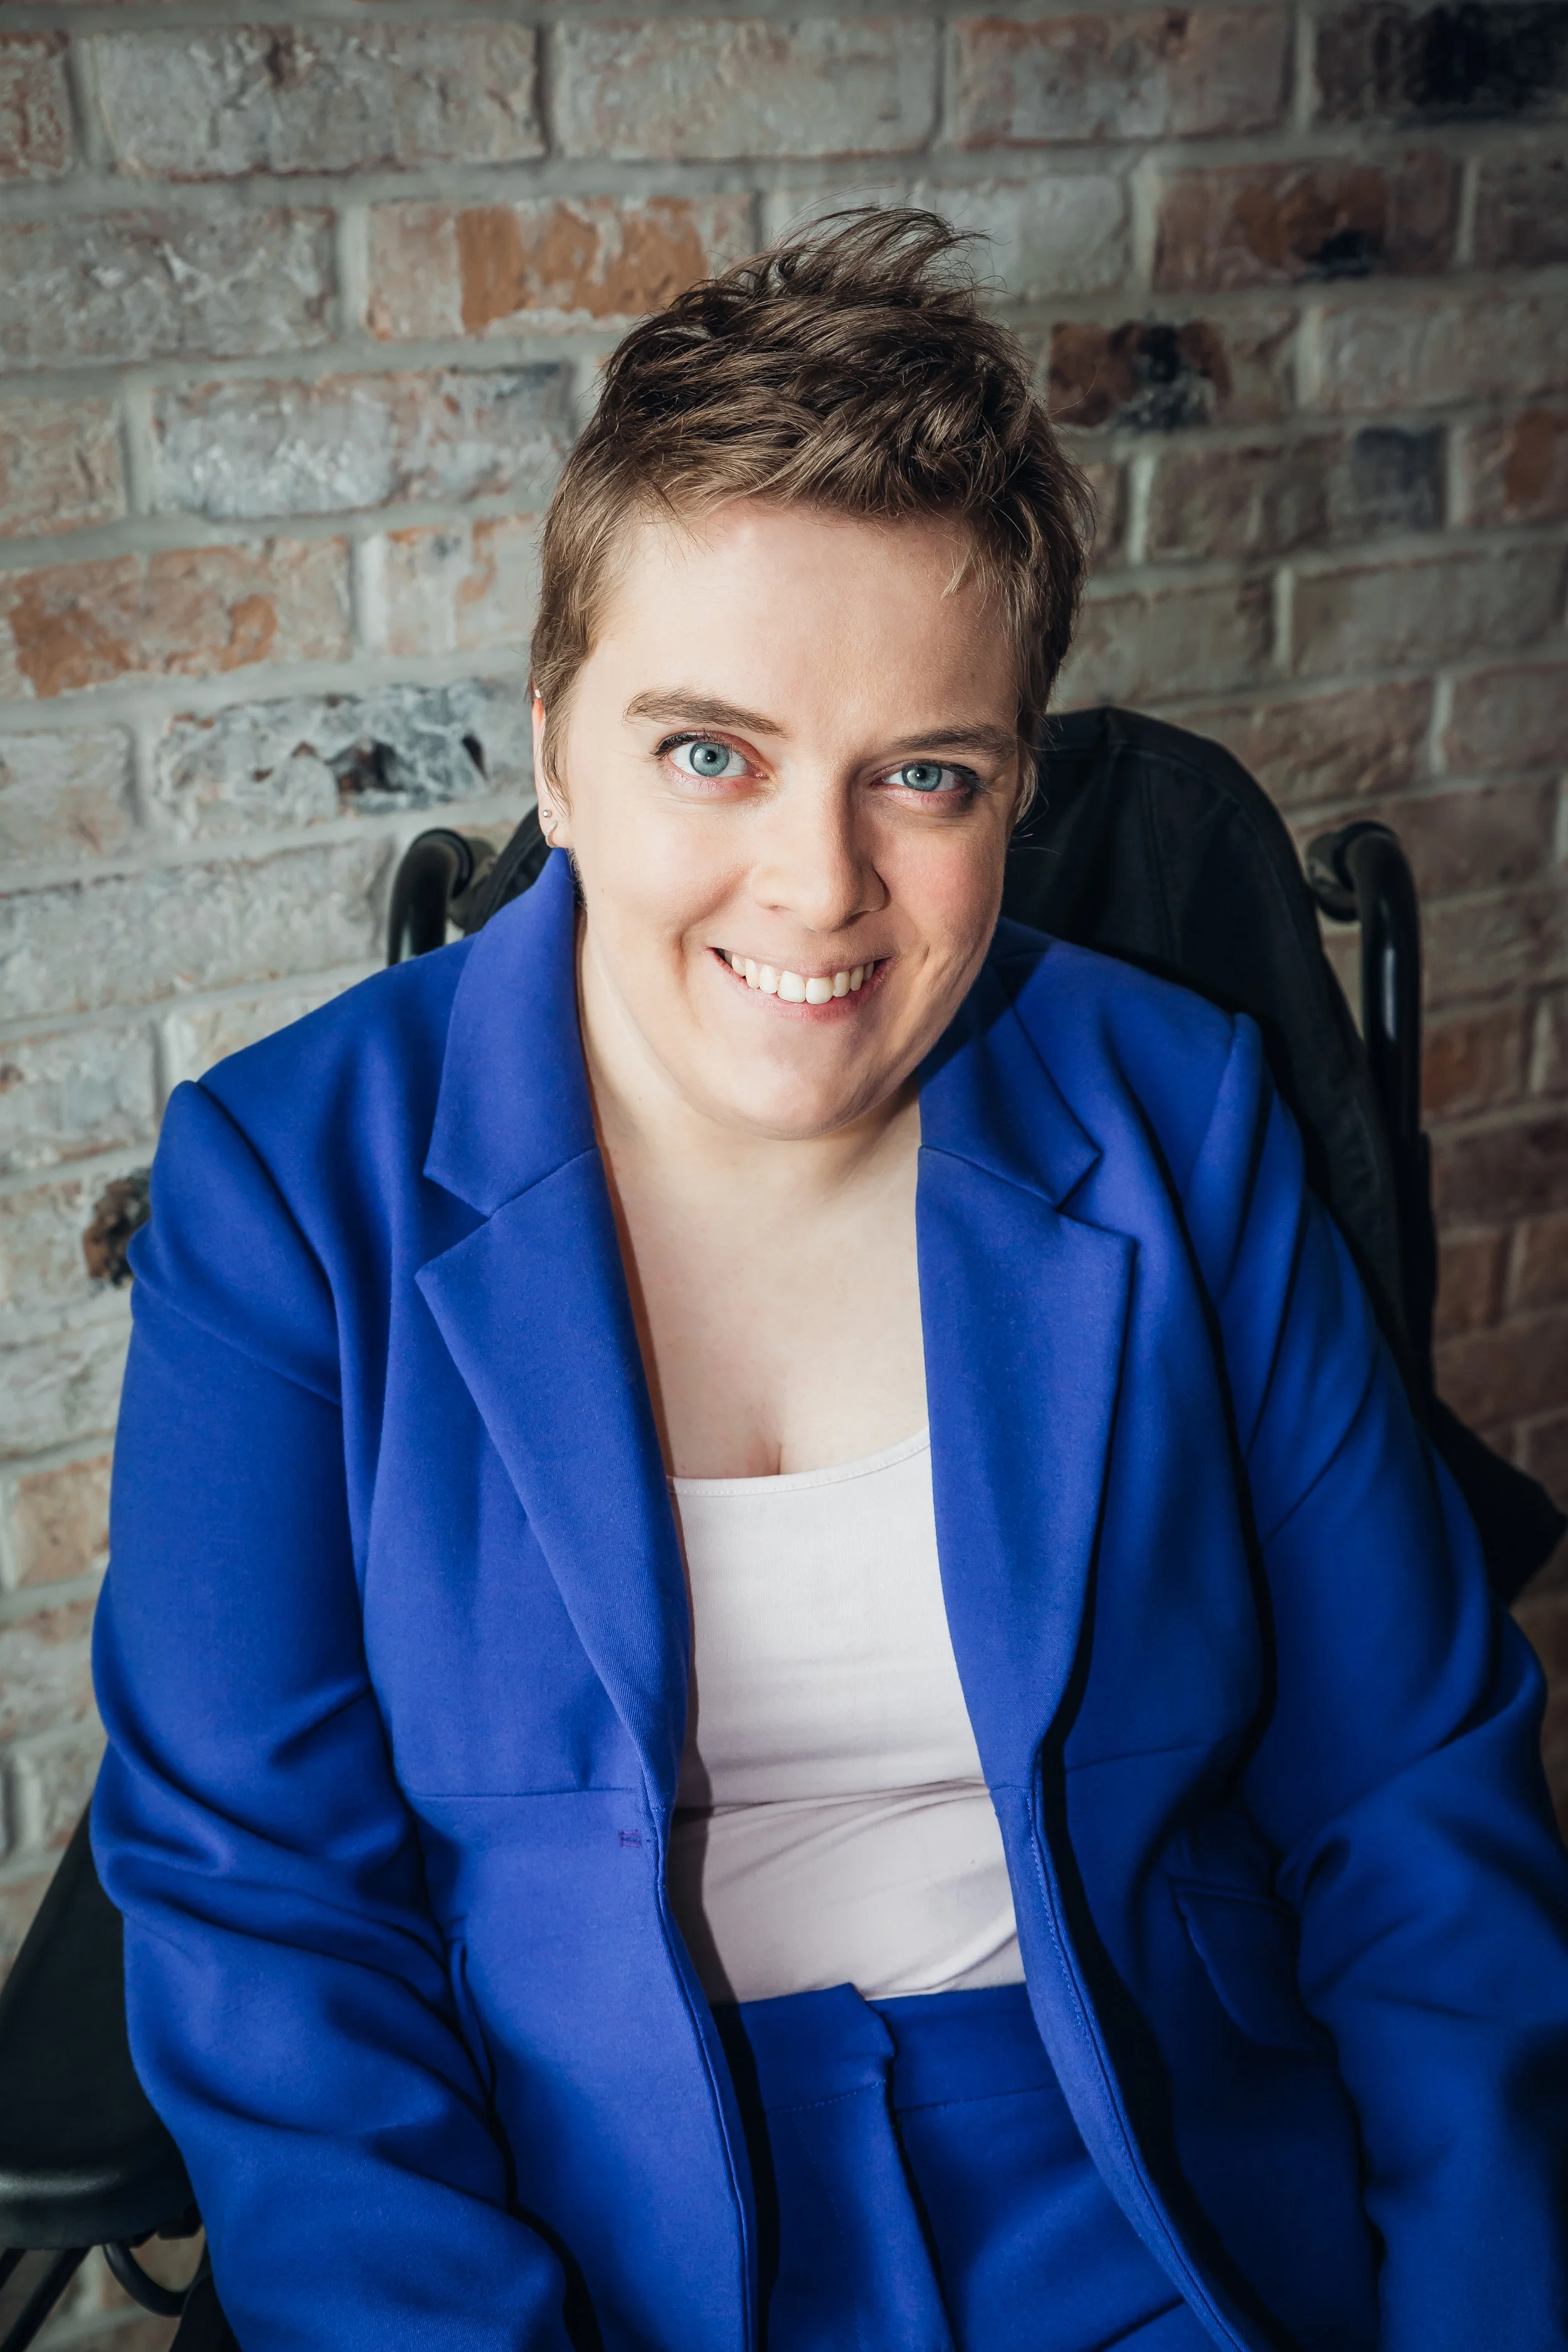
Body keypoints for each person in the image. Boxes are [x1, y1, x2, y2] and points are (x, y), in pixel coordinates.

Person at [92, 211, 1568, 2352]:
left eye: (924, 776)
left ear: (1015, 788)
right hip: (574, 2191)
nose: (820, 882)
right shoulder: (286, 1193)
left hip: (1143, 2158)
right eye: (712, 748)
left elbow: (1405, 1792)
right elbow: (270, 1926)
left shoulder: (1180, 1111)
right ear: (551, 745)